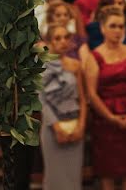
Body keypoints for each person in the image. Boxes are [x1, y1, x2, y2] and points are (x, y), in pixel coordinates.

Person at [83, 6, 126, 190]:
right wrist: (111, 118)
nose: (118, 31)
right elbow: (91, 94)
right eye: (113, 26)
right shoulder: (94, 57)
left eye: (121, 26)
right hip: (105, 123)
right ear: (102, 28)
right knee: (107, 174)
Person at [39, 24, 87, 190]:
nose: (63, 42)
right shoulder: (41, 66)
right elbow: (41, 100)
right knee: (54, 177)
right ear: (49, 41)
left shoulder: (75, 65)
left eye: (66, 37)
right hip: (52, 127)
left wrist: (81, 125)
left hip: (73, 123)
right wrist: (57, 126)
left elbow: (82, 98)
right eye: (57, 38)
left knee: (73, 178)